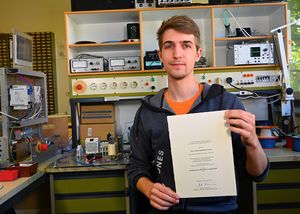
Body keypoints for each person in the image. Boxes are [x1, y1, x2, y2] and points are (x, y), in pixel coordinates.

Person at [127, 15, 269, 213]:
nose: (177, 54)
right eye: (169, 46)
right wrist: (149, 188)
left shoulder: (225, 103)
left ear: (197, 53)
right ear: (160, 55)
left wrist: (253, 142)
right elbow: (136, 167)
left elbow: (258, 174)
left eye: (186, 45)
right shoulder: (147, 111)